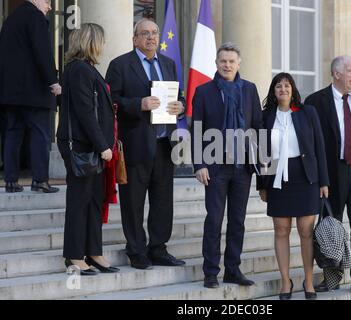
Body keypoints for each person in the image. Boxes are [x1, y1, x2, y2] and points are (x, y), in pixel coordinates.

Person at [105, 18, 185, 270]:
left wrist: (181, 106)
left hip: (164, 144)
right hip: (135, 144)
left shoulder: (169, 64)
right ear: (135, 39)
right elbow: (111, 102)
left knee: (163, 201)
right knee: (133, 201)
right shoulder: (120, 65)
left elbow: (178, 96)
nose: (150, 37)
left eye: (154, 33)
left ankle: (158, 248)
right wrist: (138, 104)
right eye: (144, 33)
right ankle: (136, 250)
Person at [191, 43, 263, 289]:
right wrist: (199, 164)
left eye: (232, 61)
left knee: (238, 220)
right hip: (215, 167)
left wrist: (260, 159)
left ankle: (233, 269)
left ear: (238, 63)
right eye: (223, 61)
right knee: (214, 219)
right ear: (216, 63)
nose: (227, 65)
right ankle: (210, 272)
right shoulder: (203, 91)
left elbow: (257, 125)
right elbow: (197, 130)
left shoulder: (250, 90)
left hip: (242, 167)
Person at [305, 56, 351, 293]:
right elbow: (311, 145)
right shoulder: (316, 101)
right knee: (330, 227)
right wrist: (318, 178)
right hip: (331, 173)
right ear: (336, 74)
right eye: (350, 71)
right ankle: (332, 277)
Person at [257, 73, 329, 300]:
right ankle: (285, 281)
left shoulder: (307, 113)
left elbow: (319, 147)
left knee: (306, 232)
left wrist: (324, 181)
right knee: (281, 230)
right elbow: (262, 152)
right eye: (278, 86)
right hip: (277, 177)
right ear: (273, 91)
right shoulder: (266, 116)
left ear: (293, 89)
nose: (283, 89)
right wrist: (262, 184)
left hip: (305, 177)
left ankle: (308, 281)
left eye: (287, 85)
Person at [57, 23, 119, 275]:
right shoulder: (80, 70)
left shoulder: (86, 69)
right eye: (101, 41)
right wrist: (103, 145)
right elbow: (85, 113)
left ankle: (93, 251)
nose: (103, 46)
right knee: (79, 201)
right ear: (91, 42)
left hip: (92, 147)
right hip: (83, 147)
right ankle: (73, 256)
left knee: (94, 200)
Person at [0, 0, 61, 193]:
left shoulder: (11, 20)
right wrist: (53, 80)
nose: (50, 6)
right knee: (40, 134)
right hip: (35, 91)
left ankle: (10, 181)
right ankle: (40, 180)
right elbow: (42, 52)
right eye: (47, 1)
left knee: (12, 134)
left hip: (11, 93)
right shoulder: (35, 17)